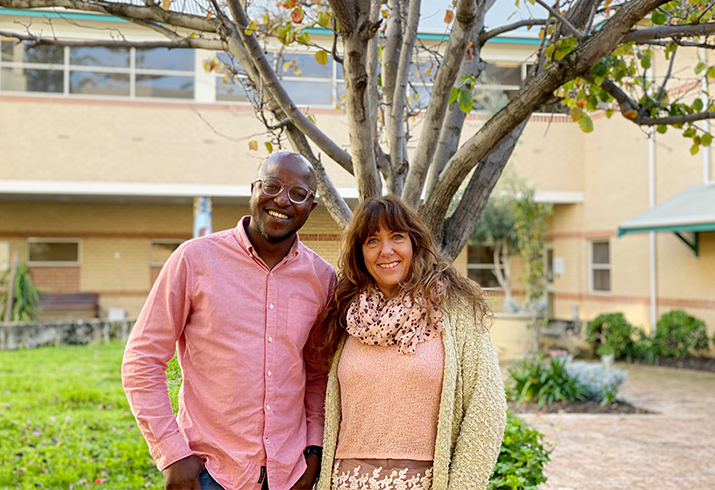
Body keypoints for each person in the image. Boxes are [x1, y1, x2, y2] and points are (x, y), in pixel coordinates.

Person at [122, 152, 336, 490]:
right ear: (253, 190)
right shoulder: (194, 260)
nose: (281, 199)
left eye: (298, 193)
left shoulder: (322, 278)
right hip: (210, 473)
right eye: (272, 185)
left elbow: (317, 374)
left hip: (290, 473)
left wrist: (314, 452)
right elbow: (142, 361)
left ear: (311, 206)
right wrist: (173, 454)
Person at [314, 195, 506, 490]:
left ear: (415, 243)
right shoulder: (344, 313)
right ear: (360, 252)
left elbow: (486, 409)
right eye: (372, 240)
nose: (386, 250)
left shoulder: (456, 310)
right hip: (346, 481)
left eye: (397, 237)